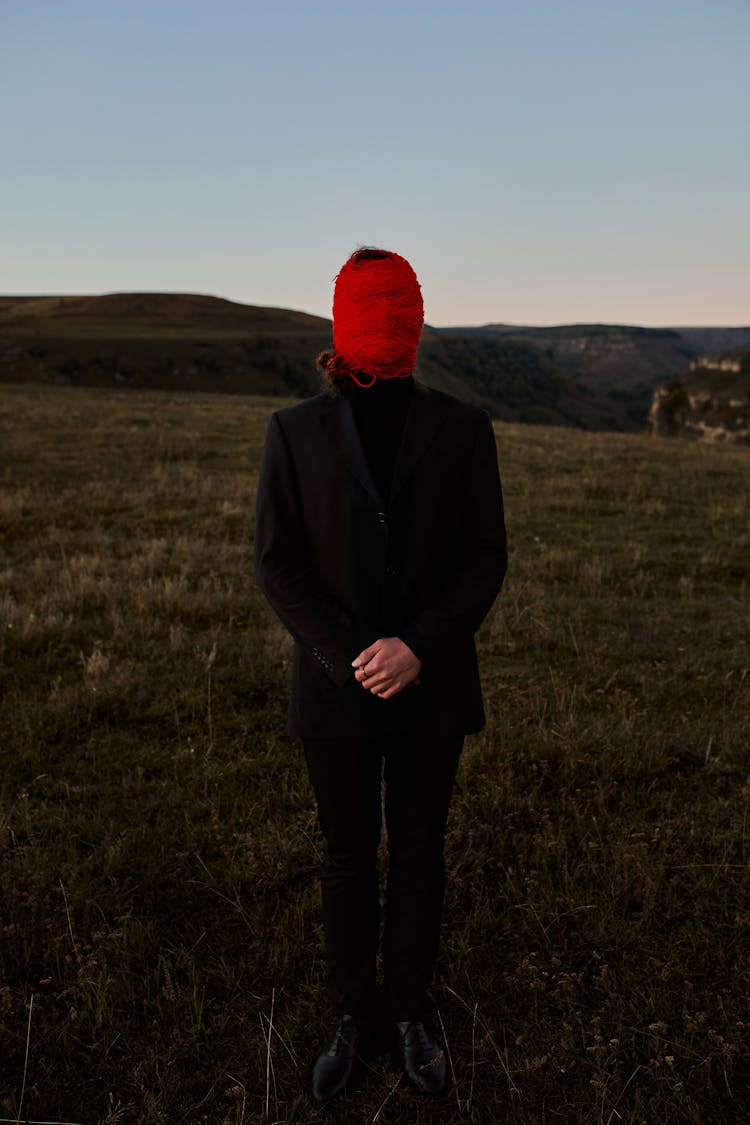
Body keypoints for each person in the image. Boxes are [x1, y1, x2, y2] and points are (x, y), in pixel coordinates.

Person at [253, 247, 507, 1102]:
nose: (388, 322)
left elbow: (483, 560)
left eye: (396, 307)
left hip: (431, 686)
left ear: (417, 317)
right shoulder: (292, 431)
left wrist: (419, 646)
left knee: (421, 853)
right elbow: (277, 563)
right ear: (343, 317)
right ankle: (352, 1015)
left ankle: (409, 1012)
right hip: (333, 691)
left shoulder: (465, 428)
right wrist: (350, 652)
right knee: (347, 854)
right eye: (376, 307)